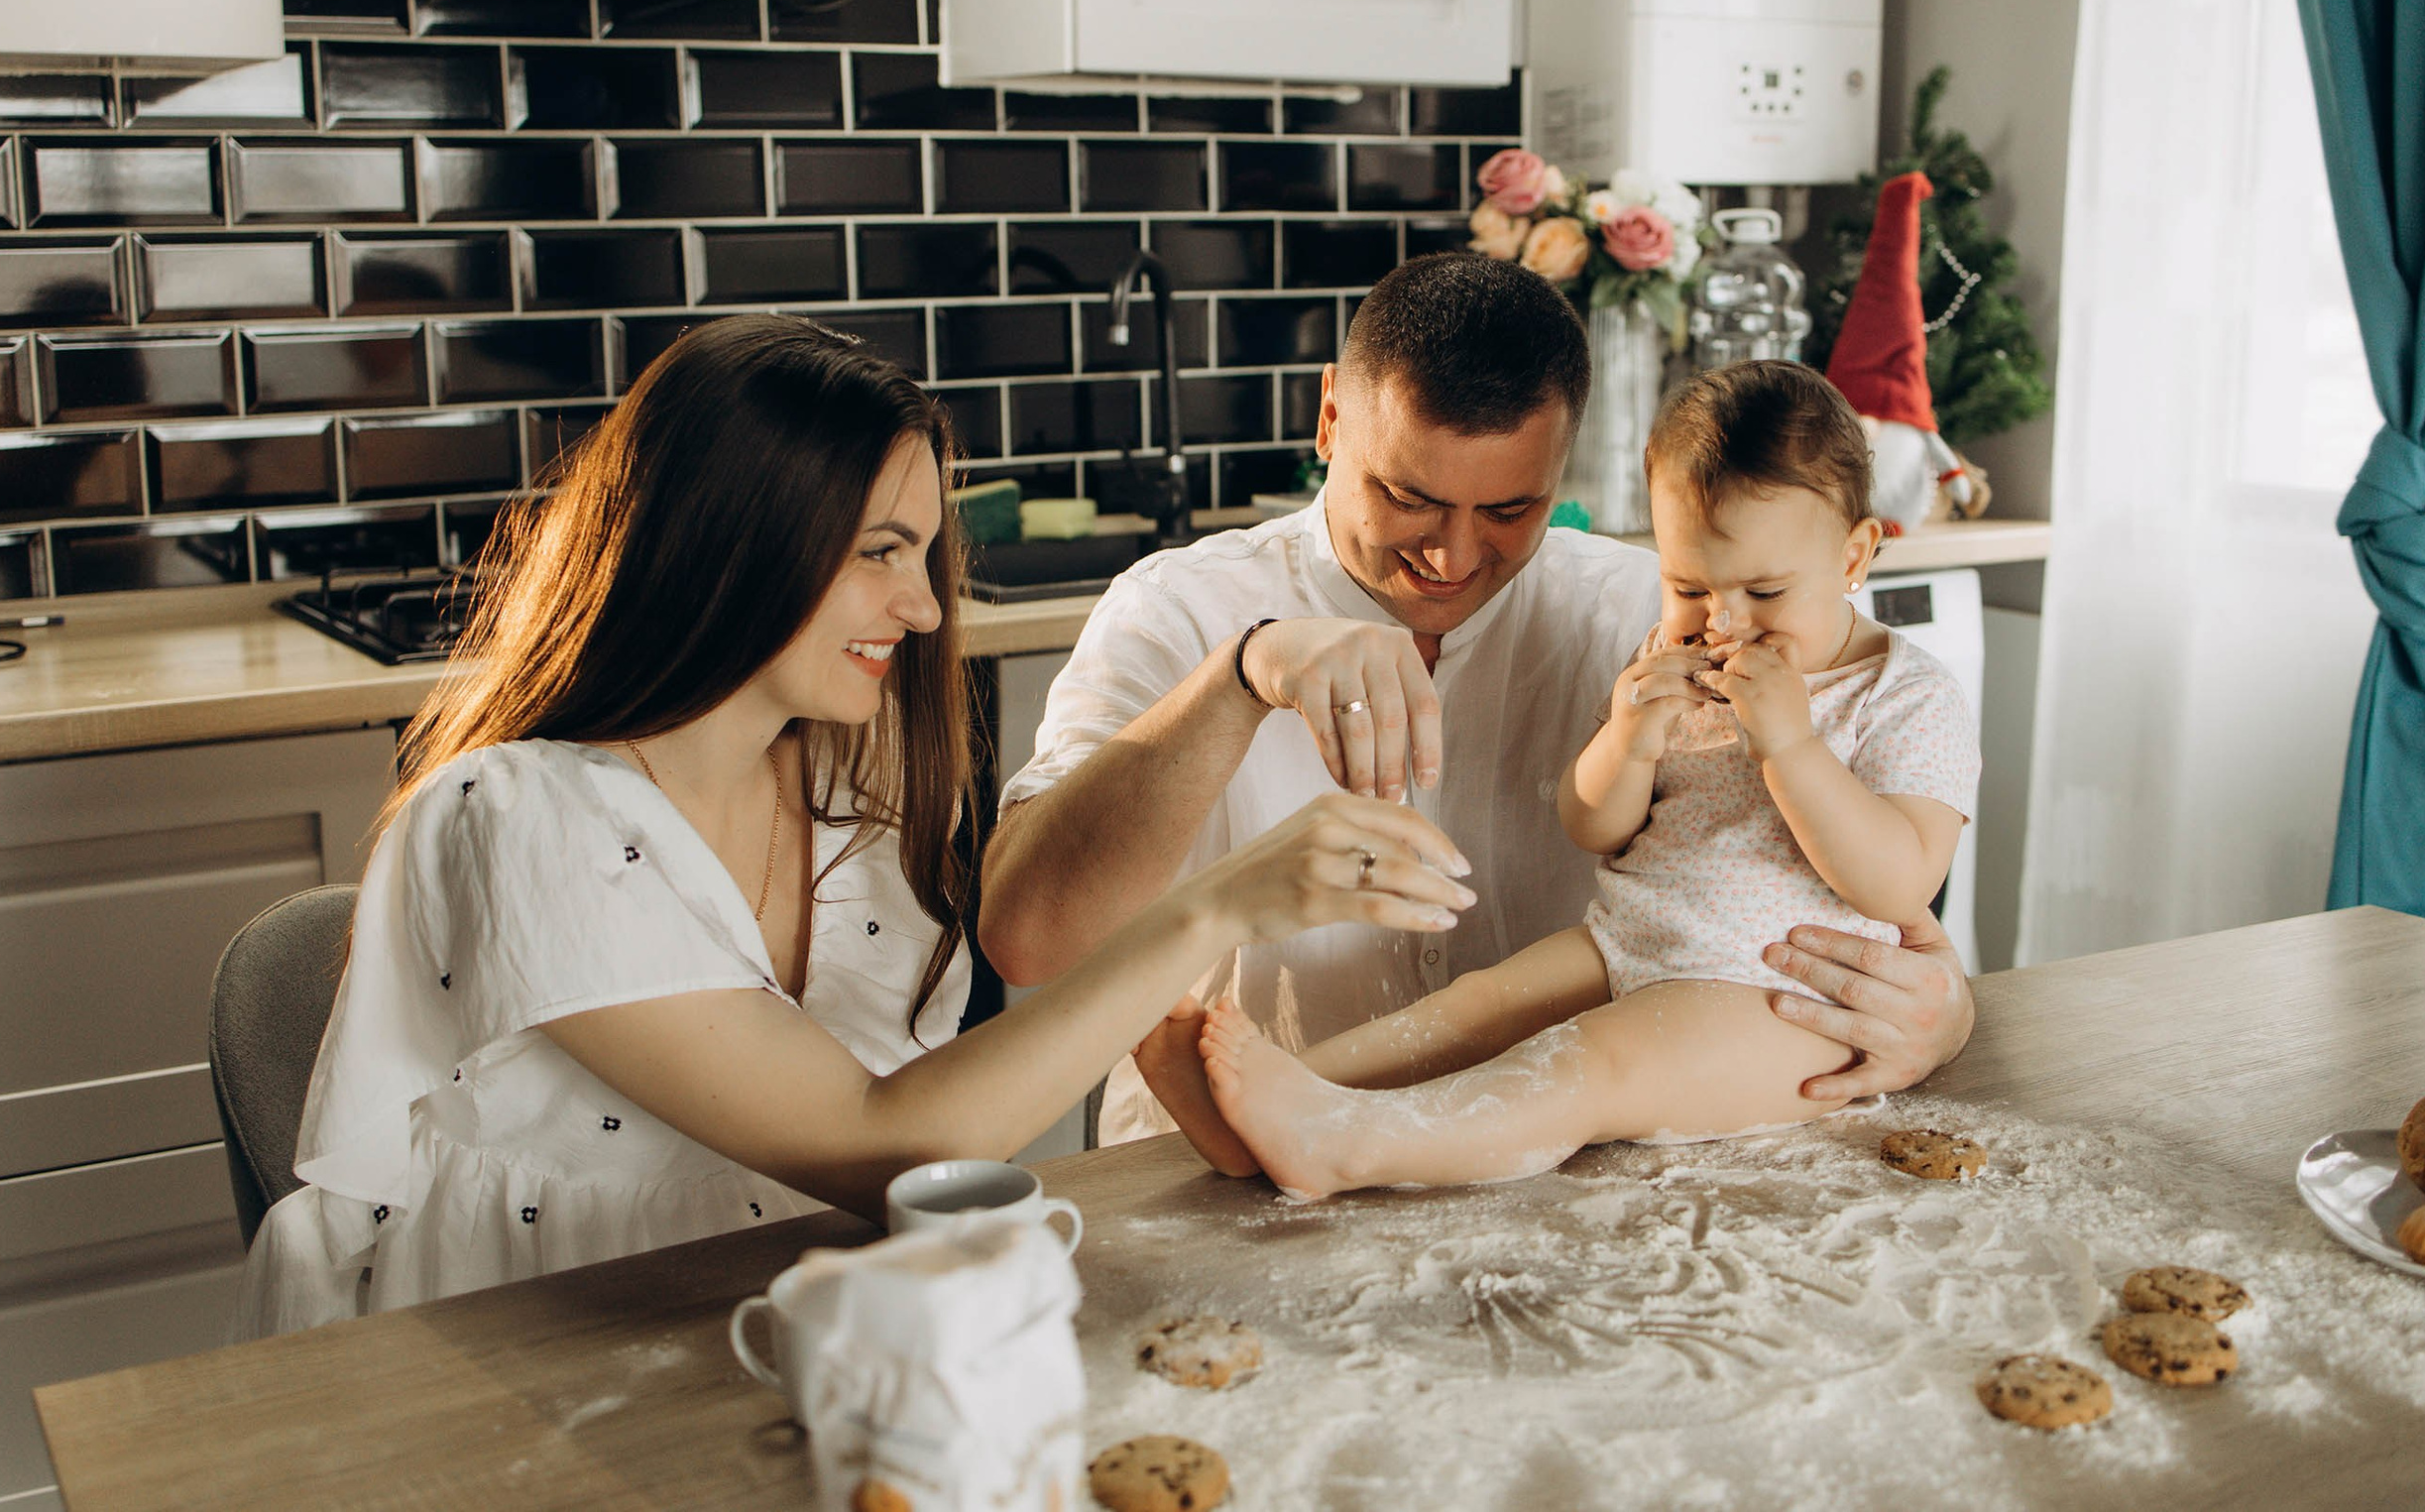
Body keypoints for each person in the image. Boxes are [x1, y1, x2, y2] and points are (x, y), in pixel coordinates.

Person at [232, 315, 1474, 1338]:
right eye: (881, 552)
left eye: (923, 554)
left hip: (770, 1327)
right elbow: (891, 1146)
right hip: (514, 1352)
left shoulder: (843, 800)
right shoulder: (516, 819)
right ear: (734, 541)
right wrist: (1220, 905)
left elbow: (925, 1117)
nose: (923, 609)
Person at [980, 255, 1976, 1151]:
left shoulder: (1657, 608)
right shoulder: (1179, 610)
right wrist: (1240, 678)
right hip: (1206, 1176)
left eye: (1508, 509)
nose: (1451, 554)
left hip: (1555, 1174)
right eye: (1407, 496)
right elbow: (1026, 937)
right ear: (1329, 419)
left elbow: (1848, 888)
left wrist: (1943, 1014)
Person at [1190, 359, 1980, 1196]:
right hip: (1632, 940)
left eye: (1765, 590)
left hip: (1781, 1000)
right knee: (1473, 1006)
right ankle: (1283, 1093)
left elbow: (1899, 882)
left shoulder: (1904, 693)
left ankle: (1348, 1146)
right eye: (1688, 586)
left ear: (1855, 553)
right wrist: (1629, 739)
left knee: (1583, 1064)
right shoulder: (1668, 658)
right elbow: (1593, 824)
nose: (1724, 621)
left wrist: (1792, 747)